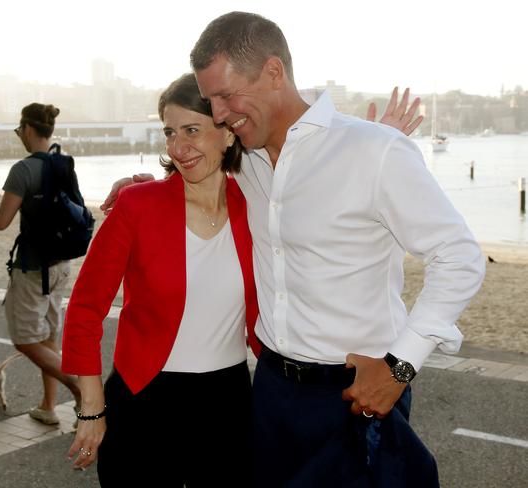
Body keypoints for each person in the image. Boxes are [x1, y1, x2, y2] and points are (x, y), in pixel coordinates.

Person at [103, 11, 485, 488]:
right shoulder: (251, 160)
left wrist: (400, 367)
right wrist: (141, 187)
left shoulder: (373, 151)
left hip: (355, 393)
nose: (219, 113)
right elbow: (200, 178)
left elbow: (459, 258)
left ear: (273, 72)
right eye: (211, 101)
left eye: (225, 95)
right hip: (271, 390)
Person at [60, 72, 259, 486]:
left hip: (229, 403)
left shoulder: (257, 205)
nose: (177, 147)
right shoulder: (138, 205)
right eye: (170, 132)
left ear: (227, 133)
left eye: (192, 130)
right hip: (143, 401)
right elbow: (85, 308)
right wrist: (92, 408)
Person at [0, 103, 81, 426]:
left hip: (34, 268)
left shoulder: (23, 170)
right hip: (61, 265)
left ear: (27, 129)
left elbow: (0, 220)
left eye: (19, 130)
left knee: (25, 340)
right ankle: (48, 407)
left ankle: (81, 388)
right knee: (49, 336)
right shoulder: (63, 165)